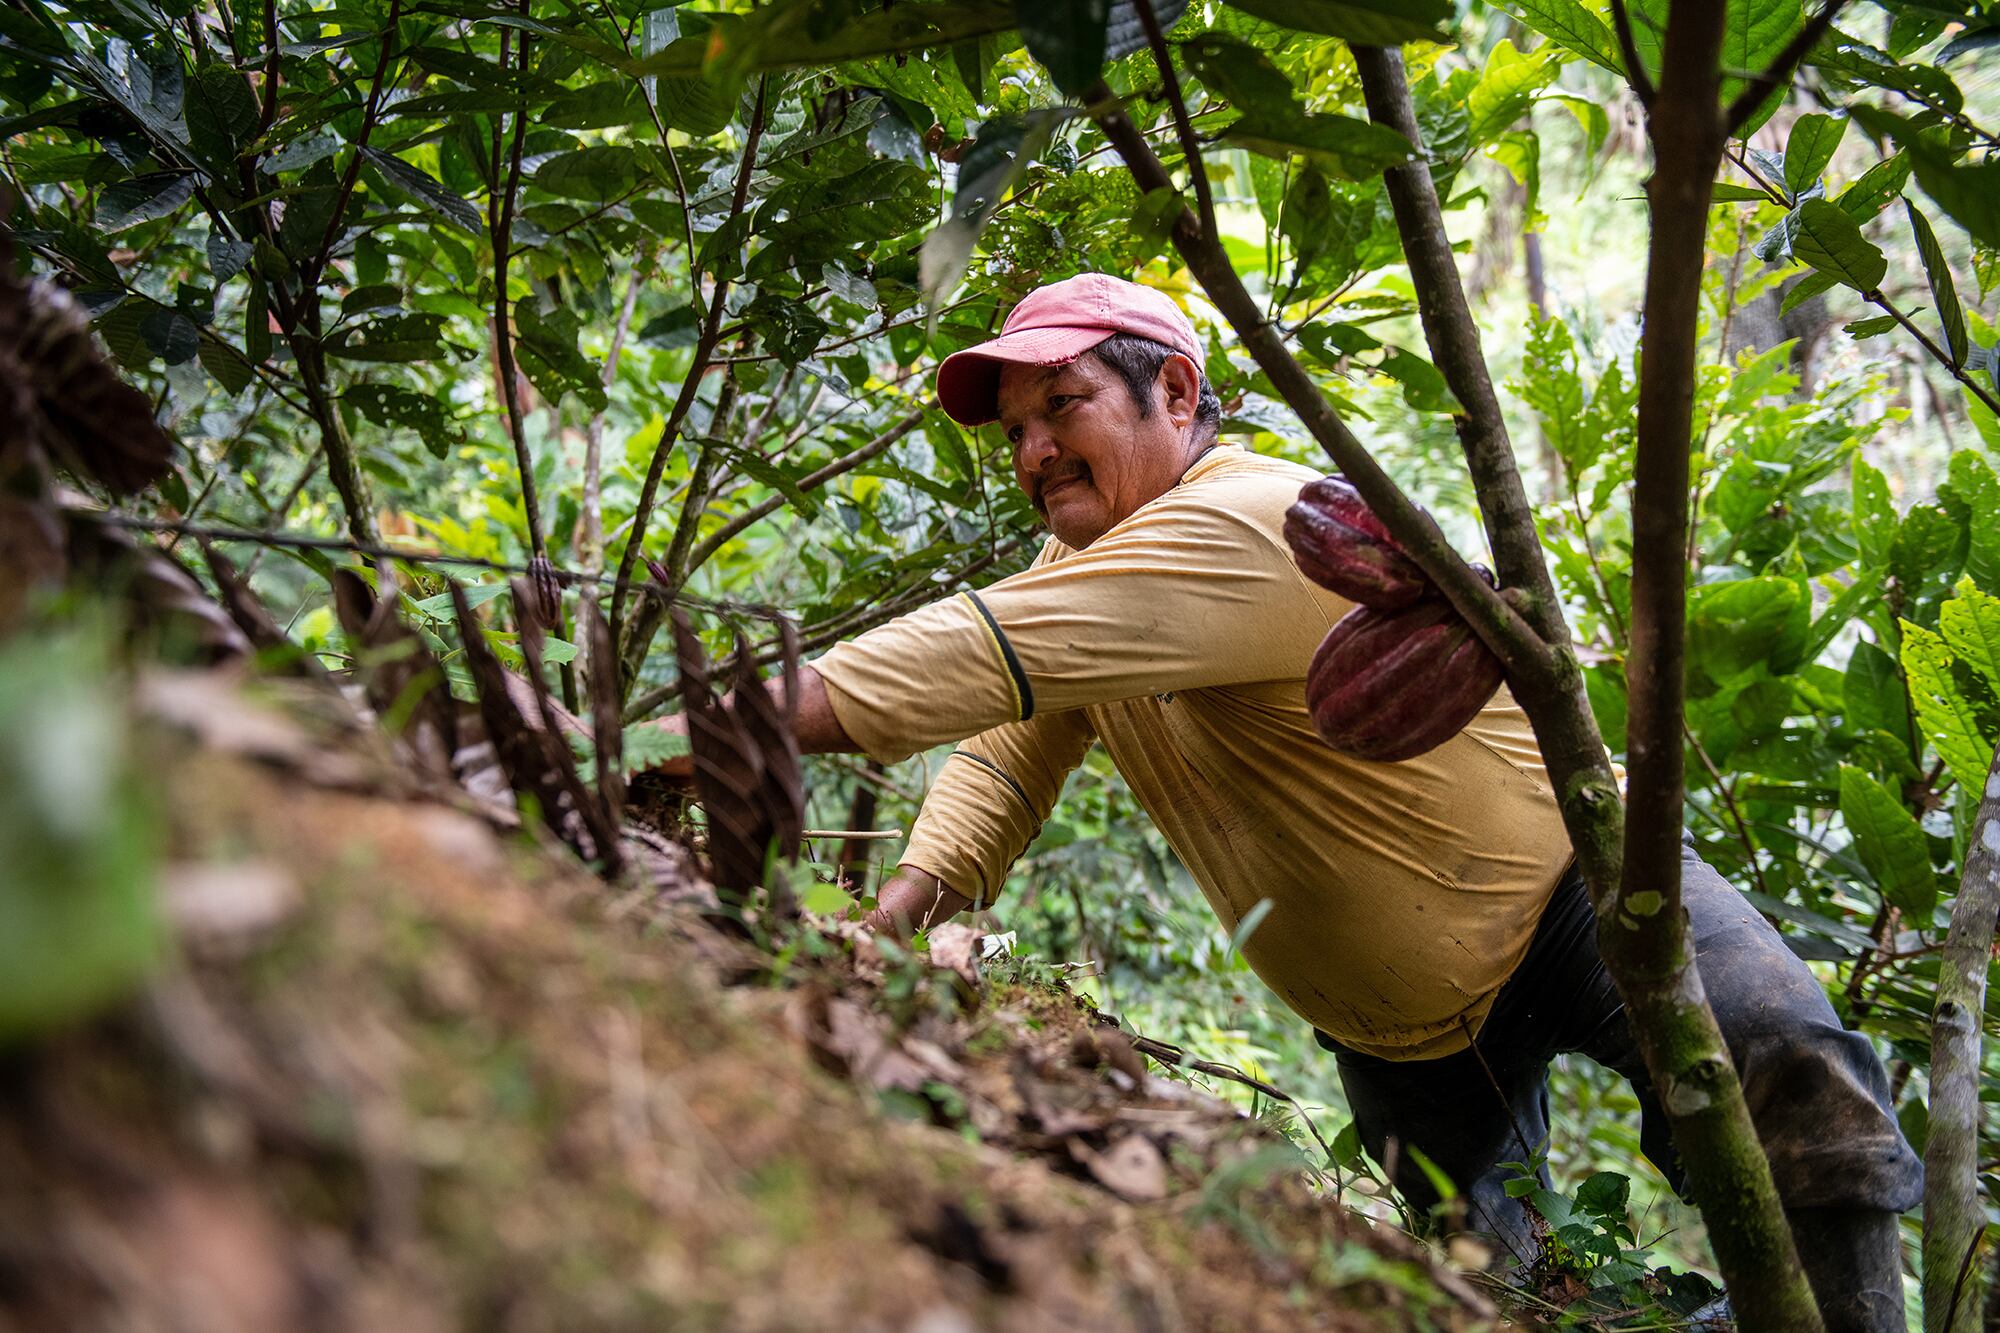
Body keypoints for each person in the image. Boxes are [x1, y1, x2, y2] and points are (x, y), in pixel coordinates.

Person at [660, 273, 1920, 1329]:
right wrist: (899, 914)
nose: (1034, 450)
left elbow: (948, 662)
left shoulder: (1252, 519)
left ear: (1176, 393)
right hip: (1400, 1031)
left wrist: (670, 731)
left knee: (1792, 1071)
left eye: (1063, 405)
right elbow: (1002, 753)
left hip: (1571, 896)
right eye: (1015, 433)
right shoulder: (1077, 568)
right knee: (1499, 1290)